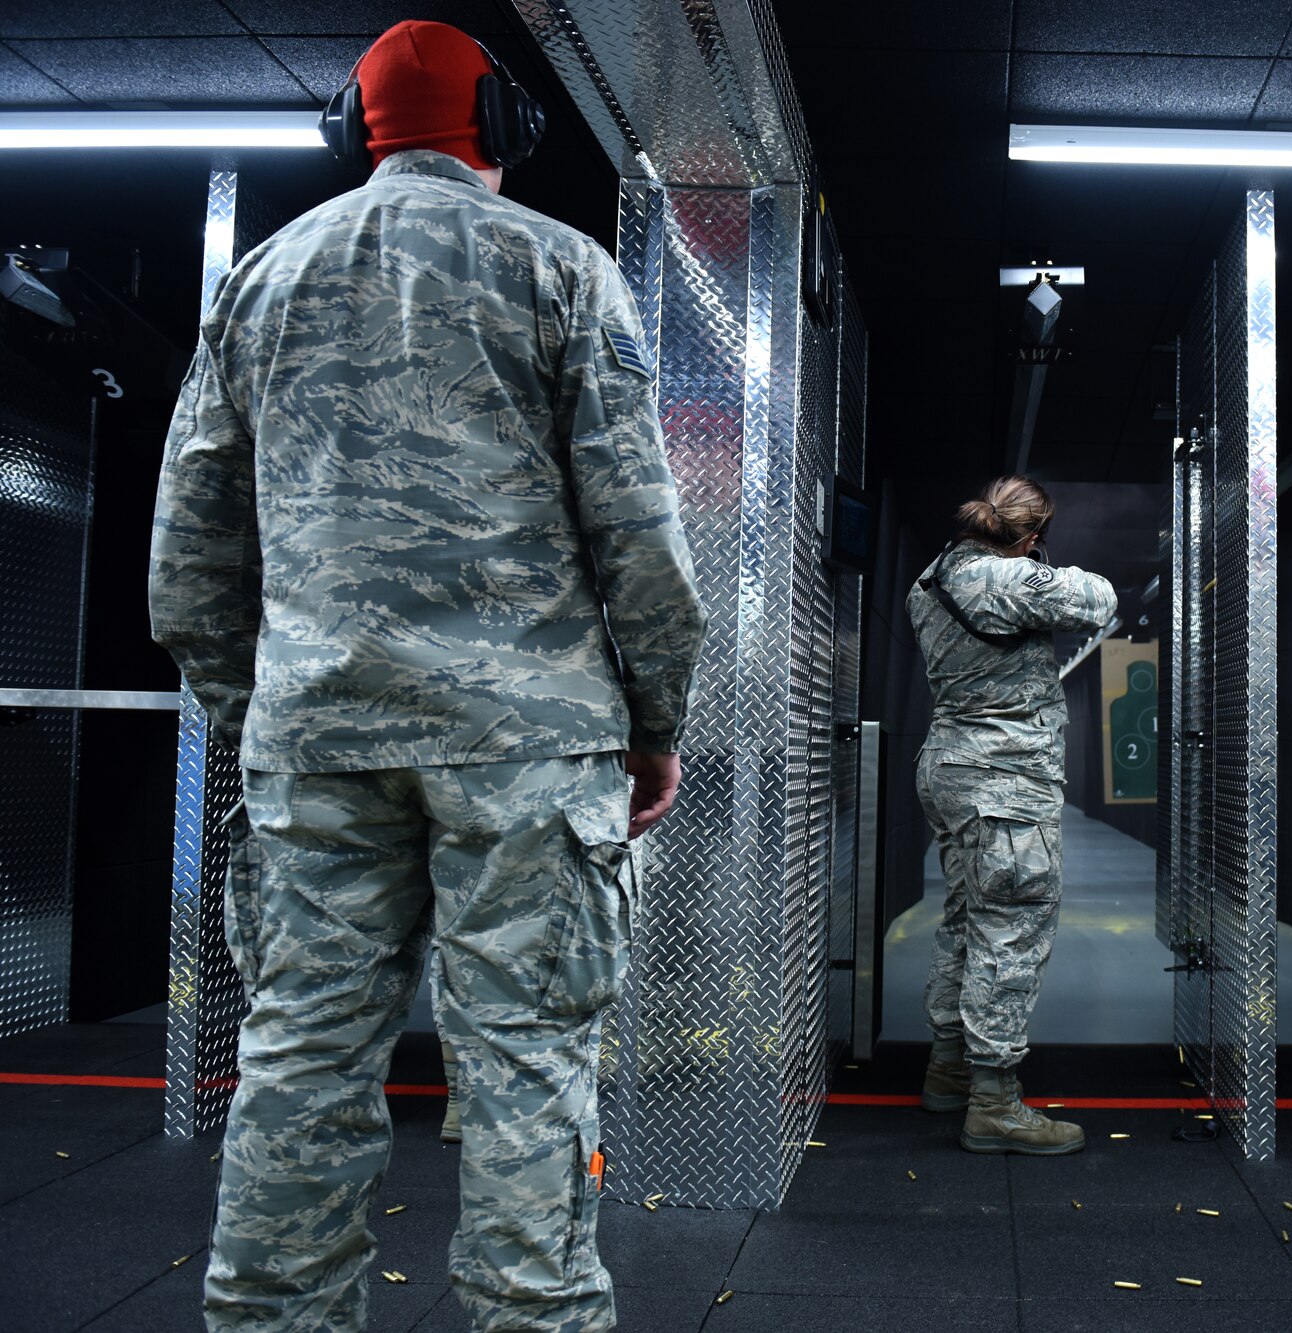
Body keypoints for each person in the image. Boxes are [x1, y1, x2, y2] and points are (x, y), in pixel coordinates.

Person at [148, 19, 707, 1332]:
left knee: (296, 1069)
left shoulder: (261, 282)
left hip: (317, 742)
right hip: (530, 748)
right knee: (526, 1075)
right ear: (501, 129)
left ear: (358, 128)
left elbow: (188, 561)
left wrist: (265, 705)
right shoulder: (564, 270)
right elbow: (643, 541)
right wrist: (655, 721)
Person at [907, 476, 1117, 1155]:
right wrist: (1034, 562)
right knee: (1012, 930)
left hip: (951, 768)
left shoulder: (930, 579)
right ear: (1026, 537)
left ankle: (948, 1067)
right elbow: (1101, 598)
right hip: (1005, 783)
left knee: (969, 918)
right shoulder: (1008, 581)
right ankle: (994, 1101)